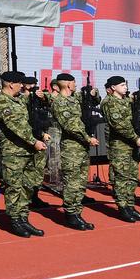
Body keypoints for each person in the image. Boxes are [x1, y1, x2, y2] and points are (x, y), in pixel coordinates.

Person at [0, 71, 46, 237]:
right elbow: (16, 126)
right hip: (13, 153)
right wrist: (34, 141)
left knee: (26, 186)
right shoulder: (1, 102)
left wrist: (39, 97)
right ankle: (15, 220)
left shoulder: (18, 100)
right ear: (10, 84)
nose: (22, 86)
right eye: (19, 84)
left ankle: (23, 218)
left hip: (26, 151)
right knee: (14, 188)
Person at [47, 73, 96, 230]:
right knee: (72, 183)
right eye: (74, 83)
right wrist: (88, 138)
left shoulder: (74, 99)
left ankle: (77, 212)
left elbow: (93, 99)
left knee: (81, 182)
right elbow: (70, 124)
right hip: (71, 148)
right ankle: (70, 215)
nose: (76, 85)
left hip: (81, 147)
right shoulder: (59, 102)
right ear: (68, 84)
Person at [101, 77, 140, 222]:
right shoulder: (109, 102)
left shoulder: (126, 100)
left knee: (132, 177)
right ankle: (123, 208)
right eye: (122, 85)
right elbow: (119, 124)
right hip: (120, 145)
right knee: (121, 178)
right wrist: (136, 138)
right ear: (113, 87)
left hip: (130, 145)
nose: (125, 87)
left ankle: (131, 206)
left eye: (126, 84)